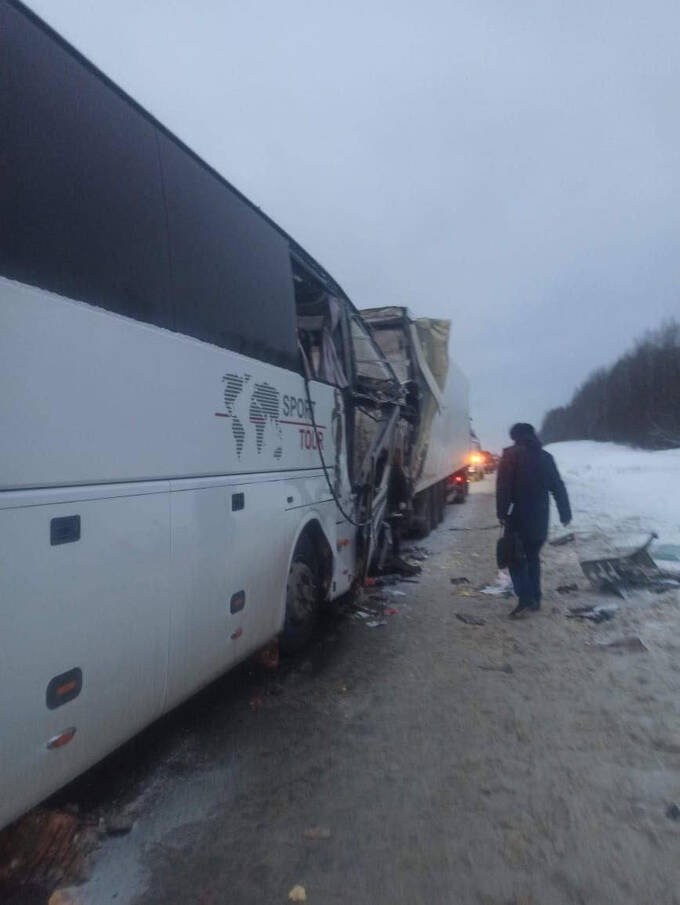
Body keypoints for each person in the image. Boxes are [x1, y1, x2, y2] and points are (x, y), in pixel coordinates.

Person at [496, 423, 571, 617]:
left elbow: (504, 488)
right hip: (540, 518)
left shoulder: (511, 455)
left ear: (515, 437)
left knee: (515, 558)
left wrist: (502, 513)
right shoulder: (546, 458)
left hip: (518, 517)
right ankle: (536, 598)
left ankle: (526, 598)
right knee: (532, 557)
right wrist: (565, 512)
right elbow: (558, 487)